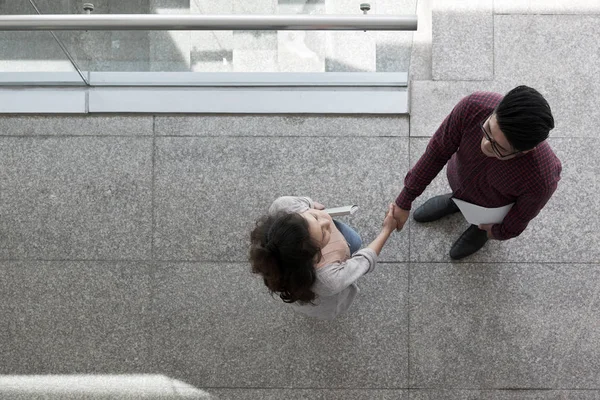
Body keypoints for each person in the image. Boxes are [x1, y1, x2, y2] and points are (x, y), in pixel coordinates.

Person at [392, 86, 562, 259]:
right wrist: (405, 199)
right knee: (458, 192)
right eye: (487, 129)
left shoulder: (542, 177)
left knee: (482, 226)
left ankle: (478, 229)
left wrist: (495, 231)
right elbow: (437, 151)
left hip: (488, 208)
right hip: (458, 177)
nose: (486, 145)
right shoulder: (473, 106)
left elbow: (520, 216)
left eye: (499, 147)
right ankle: (455, 201)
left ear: (524, 151)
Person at [249, 196, 397, 320]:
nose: (326, 221)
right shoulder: (328, 280)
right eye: (324, 233)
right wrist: (387, 230)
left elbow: (303, 202)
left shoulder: (283, 206)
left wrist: (311, 205)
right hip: (328, 301)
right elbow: (364, 260)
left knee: (354, 240)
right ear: (314, 256)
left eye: (314, 216)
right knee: (355, 242)